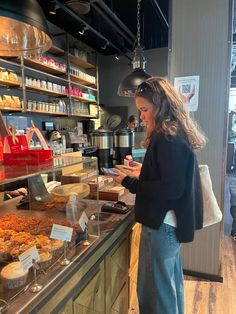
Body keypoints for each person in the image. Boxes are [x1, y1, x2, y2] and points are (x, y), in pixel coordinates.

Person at [110, 77, 207, 314]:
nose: (141, 116)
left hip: (162, 225)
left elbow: (170, 189)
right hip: (171, 224)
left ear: (161, 106)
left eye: (145, 109)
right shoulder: (174, 132)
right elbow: (170, 178)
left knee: (156, 291)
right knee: (169, 285)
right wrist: (144, 171)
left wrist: (129, 181)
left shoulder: (166, 137)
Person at [229, 176, 236, 241]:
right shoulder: (233, 180)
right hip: (234, 205)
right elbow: (233, 192)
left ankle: (233, 232)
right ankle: (234, 233)